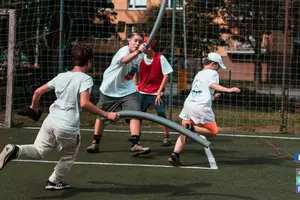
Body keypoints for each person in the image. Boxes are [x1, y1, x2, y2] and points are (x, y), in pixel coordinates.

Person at [0, 44, 119, 190]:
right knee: (68, 157)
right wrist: (107, 114)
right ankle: (54, 181)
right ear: (89, 62)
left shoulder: (61, 76)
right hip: (67, 126)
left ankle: (15, 149)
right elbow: (84, 103)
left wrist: (34, 108)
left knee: (38, 150)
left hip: (50, 120)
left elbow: (37, 92)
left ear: (73, 60)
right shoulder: (85, 79)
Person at [168, 52, 240, 166]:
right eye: (218, 66)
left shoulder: (199, 73)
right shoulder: (212, 73)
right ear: (212, 64)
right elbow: (212, 85)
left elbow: (201, 91)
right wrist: (228, 89)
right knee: (213, 131)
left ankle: (175, 154)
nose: (218, 69)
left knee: (184, 132)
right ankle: (192, 128)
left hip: (189, 104)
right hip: (201, 106)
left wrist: (213, 96)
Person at [86, 31, 151, 156]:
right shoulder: (124, 51)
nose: (137, 44)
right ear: (129, 41)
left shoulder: (141, 55)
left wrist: (136, 84)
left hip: (127, 90)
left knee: (136, 114)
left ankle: (135, 144)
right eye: (135, 40)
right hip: (110, 89)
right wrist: (138, 52)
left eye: (140, 42)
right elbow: (125, 61)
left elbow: (134, 69)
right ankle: (95, 143)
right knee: (102, 115)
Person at [134, 37, 173, 146]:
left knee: (161, 114)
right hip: (142, 92)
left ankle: (166, 136)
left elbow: (166, 74)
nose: (142, 46)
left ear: (150, 47)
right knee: (138, 115)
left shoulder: (160, 58)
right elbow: (135, 70)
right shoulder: (140, 58)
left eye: (145, 44)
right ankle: (136, 136)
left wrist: (159, 92)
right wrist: (136, 84)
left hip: (155, 93)